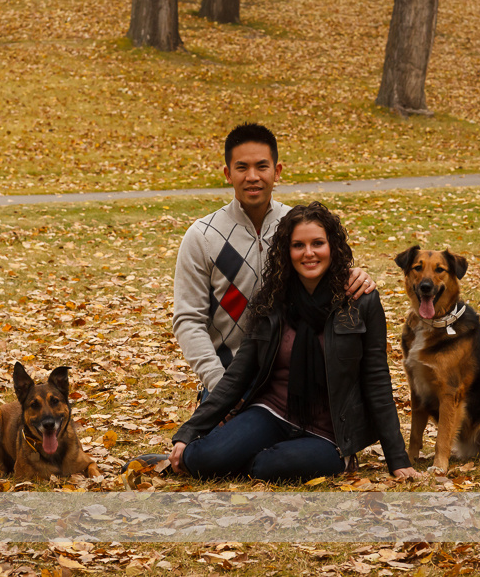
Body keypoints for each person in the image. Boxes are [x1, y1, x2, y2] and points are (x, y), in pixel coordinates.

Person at [168, 202, 419, 481]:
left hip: (327, 430)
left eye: (318, 243)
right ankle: (226, 453)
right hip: (272, 412)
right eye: (298, 245)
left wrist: (397, 458)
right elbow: (239, 373)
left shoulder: (361, 301)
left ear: (332, 247)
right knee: (203, 458)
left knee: (268, 466)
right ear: (287, 251)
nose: (308, 253)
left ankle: (337, 459)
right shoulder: (272, 298)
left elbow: (376, 378)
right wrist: (190, 432)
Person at [173, 124, 375, 398]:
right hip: (228, 378)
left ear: (277, 171)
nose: (252, 176)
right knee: (212, 443)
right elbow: (188, 320)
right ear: (227, 174)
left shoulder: (298, 227)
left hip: (295, 378)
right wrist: (220, 388)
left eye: (262, 166)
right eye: (242, 167)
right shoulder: (202, 237)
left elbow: (330, 274)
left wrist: (356, 276)